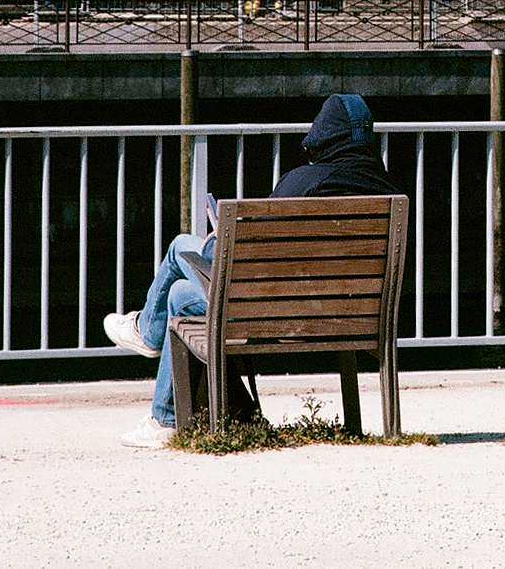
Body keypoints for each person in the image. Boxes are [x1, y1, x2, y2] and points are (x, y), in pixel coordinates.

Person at [104, 92, 395, 447]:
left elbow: (250, 253)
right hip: (355, 316)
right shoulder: (389, 193)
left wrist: (217, 239)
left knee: (181, 250)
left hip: (270, 313)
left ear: (323, 136)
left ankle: (152, 352)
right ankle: (173, 412)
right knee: (180, 293)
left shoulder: (305, 182)